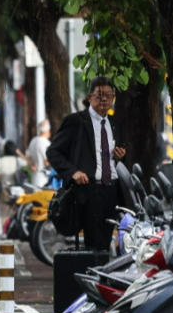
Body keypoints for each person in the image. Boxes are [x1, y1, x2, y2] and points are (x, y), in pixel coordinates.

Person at [46, 76, 127, 251]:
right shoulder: (76, 121)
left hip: (111, 190)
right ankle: (94, 275)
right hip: (89, 191)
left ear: (113, 98)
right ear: (90, 98)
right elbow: (53, 152)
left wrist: (120, 156)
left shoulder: (114, 124)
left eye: (108, 95)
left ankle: (102, 275)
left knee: (106, 242)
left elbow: (112, 157)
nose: (104, 99)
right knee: (94, 245)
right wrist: (72, 172)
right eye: (99, 95)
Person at [0, 140, 27, 210]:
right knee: (16, 209)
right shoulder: (17, 160)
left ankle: (7, 221)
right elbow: (27, 162)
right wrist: (19, 153)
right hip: (16, 188)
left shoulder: (0, 161)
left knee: (6, 210)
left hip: (5, 188)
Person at [26, 119, 52, 187]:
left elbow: (28, 159)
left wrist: (32, 166)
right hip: (44, 179)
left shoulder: (33, 141)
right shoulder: (46, 143)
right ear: (47, 131)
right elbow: (47, 161)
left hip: (34, 177)